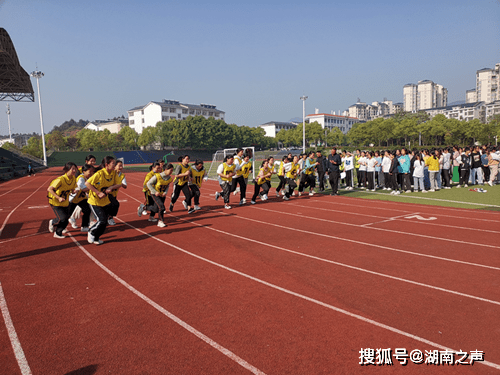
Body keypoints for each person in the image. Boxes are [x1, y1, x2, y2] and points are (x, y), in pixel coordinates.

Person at [85, 156, 123, 245]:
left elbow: (119, 184)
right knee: (101, 220)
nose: (115, 165)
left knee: (105, 222)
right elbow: (87, 183)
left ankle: (96, 238)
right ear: (107, 164)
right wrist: (98, 193)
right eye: (113, 163)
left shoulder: (113, 173)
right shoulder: (99, 174)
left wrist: (111, 187)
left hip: (105, 201)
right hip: (95, 201)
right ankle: (91, 231)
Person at [47, 162, 78, 239]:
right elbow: (49, 189)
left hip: (65, 202)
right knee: (63, 219)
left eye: (75, 169)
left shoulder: (73, 179)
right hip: (55, 202)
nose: (74, 170)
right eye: (72, 169)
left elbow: (71, 189)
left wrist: (74, 191)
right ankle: (57, 233)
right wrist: (58, 197)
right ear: (67, 169)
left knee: (66, 218)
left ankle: (53, 222)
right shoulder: (60, 179)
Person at [143, 163, 175, 228]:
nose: (171, 172)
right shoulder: (157, 176)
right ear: (165, 169)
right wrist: (155, 192)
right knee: (162, 207)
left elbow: (167, 186)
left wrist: (165, 192)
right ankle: (160, 221)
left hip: (162, 195)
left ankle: (144, 208)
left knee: (156, 208)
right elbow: (148, 183)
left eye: (172, 170)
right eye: (170, 170)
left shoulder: (169, 178)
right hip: (155, 194)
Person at [68, 164, 95, 231]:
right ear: (84, 171)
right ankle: (58, 226)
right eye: (90, 171)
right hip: (73, 199)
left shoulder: (88, 178)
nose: (91, 173)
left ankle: (84, 226)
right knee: (67, 214)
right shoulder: (81, 178)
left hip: (81, 198)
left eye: (92, 171)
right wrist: (93, 189)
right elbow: (82, 187)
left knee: (87, 210)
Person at [107, 160, 127, 225]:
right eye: (119, 165)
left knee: (113, 205)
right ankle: (109, 218)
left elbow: (125, 186)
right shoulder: (110, 173)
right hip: (107, 192)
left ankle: (109, 218)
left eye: (122, 165)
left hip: (114, 193)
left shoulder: (122, 175)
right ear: (114, 166)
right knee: (114, 204)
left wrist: (119, 183)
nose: (121, 167)